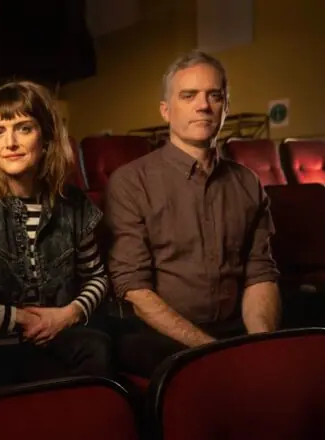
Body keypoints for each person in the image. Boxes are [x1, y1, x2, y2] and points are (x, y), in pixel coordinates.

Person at [105, 51, 282, 377]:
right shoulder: (131, 182)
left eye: (214, 96)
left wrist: (260, 345)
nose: (203, 105)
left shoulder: (247, 182)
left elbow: (260, 273)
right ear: (166, 110)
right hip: (162, 337)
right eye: (189, 96)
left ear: (225, 108)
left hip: (234, 329)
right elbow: (134, 287)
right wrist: (211, 352)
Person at [0, 81, 112, 393]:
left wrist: (67, 315)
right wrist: (16, 318)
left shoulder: (72, 203)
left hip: (56, 337)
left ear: (46, 137)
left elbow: (97, 276)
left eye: (23, 128)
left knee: (98, 347)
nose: (10, 142)